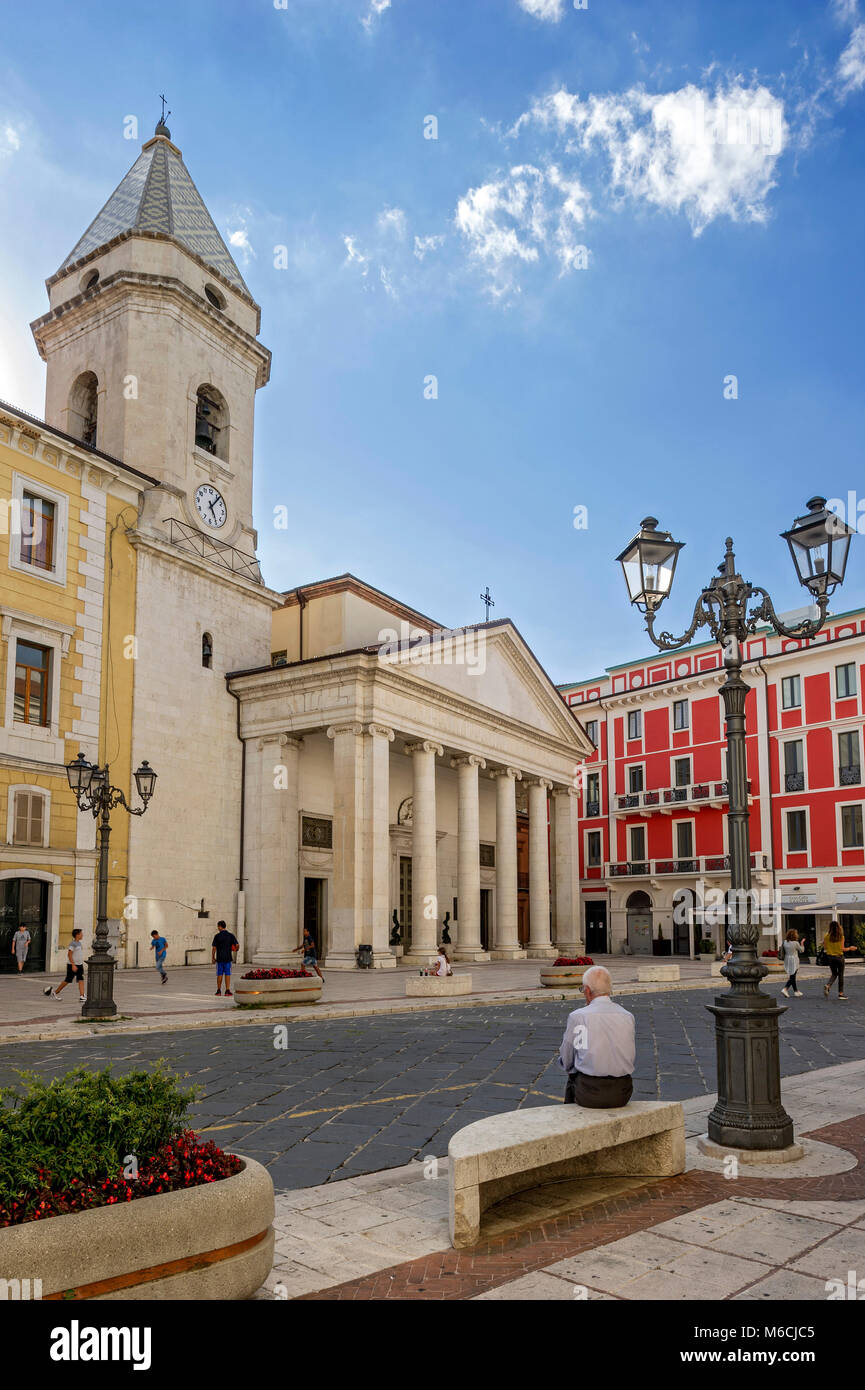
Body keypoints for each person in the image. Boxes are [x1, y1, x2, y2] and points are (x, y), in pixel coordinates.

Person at [558, 964, 635, 1108]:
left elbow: (567, 1059)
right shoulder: (627, 1016)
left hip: (590, 1092)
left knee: (572, 1076)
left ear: (587, 990)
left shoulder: (578, 1017)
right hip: (623, 1091)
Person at [43, 929, 86, 1004]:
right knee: (68, 980)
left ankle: (82, 996)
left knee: (81, 979)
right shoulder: (73, 944)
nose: (82, 935)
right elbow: (69, 954)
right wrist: (73, 965)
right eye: (81, 933)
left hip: (79, 965)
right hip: (72, 965)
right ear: (77, 935)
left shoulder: (79, 943)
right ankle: (56, 992)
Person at [821, 919, 855, 1000]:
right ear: (838, 928)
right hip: (839, 958)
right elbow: (842, 949)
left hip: (830, 958)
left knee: (834, 974)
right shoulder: (841, 937)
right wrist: (850, 948)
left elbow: (825, 948)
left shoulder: (826, 936)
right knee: (840, 975)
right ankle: (840, 994)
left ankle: (828, 985)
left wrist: (825, 944)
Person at [211, 919, 239, 996]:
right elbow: (237, 945)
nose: (217, 928)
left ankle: (218, 991)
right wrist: (236, 949)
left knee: (219, 974)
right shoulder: (231, 935)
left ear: (220, 927)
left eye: (218, 926)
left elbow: (214, 948)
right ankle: (227, 991)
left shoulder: (217, 936)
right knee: (227, 974)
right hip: (228, 958)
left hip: (219, 959)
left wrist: (213, 957)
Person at [781, 928, 804, 998]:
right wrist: (802, 943)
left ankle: (796, 991)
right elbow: (801, 950)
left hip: (787, 959)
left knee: (792, 976)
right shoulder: (796, 943)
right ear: (794, 935)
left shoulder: (784, 942)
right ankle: (785, 989)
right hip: (794, 960)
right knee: (793, 976)